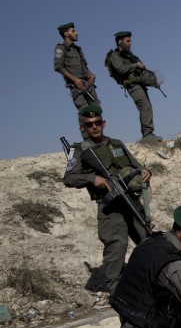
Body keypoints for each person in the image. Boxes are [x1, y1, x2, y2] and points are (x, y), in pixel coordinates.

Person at [63, 105, 152, 294]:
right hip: (110, 206)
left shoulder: (117, 144)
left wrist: (146, 172)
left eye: (97, 123)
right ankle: (115, 288)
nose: (94, 127)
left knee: (148, 240)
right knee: (116, 245)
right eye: (89, 125)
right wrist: (92, 179)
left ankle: (153, 276)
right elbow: (69, 178)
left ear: (103, 123)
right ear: (82, 128)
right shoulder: (78, 150)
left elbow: (136, 166)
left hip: (130, 200)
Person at [106, 31, 162, 142]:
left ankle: (148, 134)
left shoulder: (131, 56)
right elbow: (121, 69)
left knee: (147, 106)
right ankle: (147, 135)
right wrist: (136, 65)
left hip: (139, 84)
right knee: (145, 107)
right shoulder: (115, 55)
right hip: (132, 85)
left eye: (130, 40)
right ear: (120, 42)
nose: (130, 43)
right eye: (128, 41)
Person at [53, 22, 100, 137]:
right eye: (73, 31)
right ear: (66, 33)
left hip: (88, 84)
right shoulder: (61, 48)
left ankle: (98, 136)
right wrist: (74, 80)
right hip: (76, 86)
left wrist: (91, 74)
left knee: (97, 109)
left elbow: (84, 66)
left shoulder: (78, 49)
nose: (76, 33)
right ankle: (87, 139)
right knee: (84, 111)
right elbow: (58, 67)